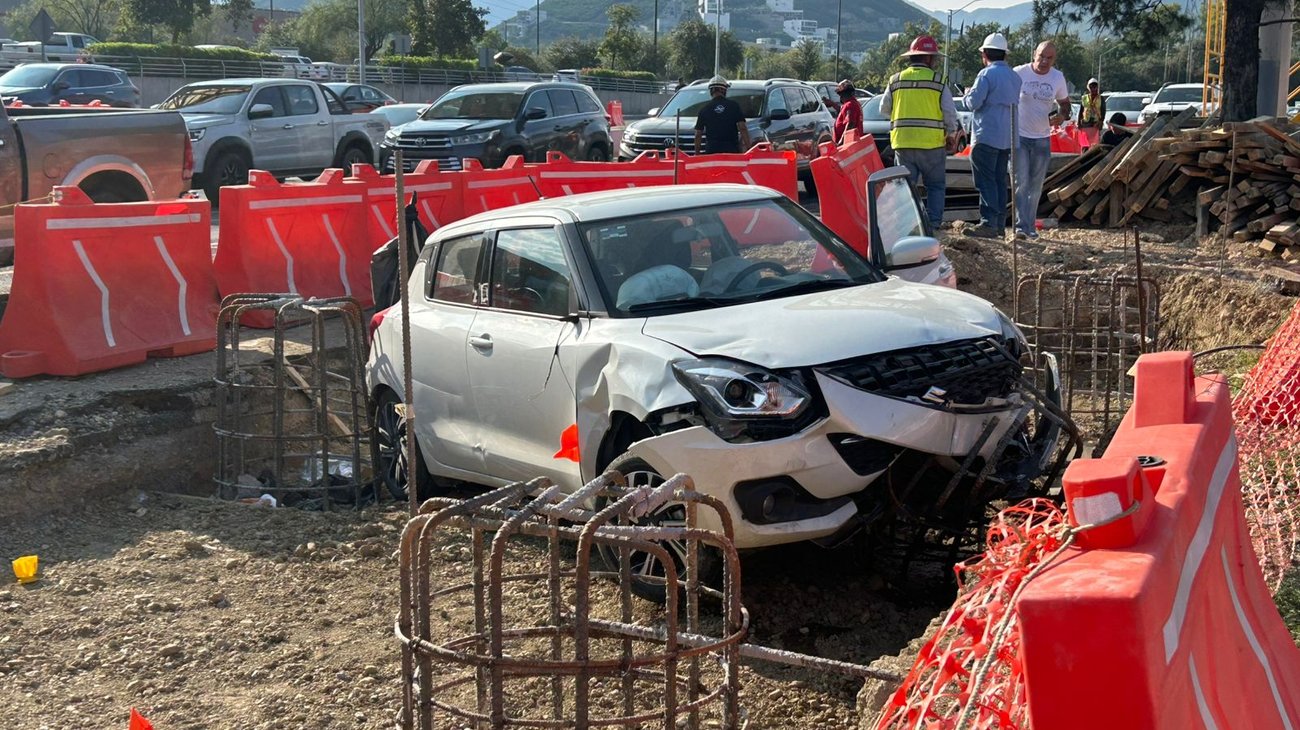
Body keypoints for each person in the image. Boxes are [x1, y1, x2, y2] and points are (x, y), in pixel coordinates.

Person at [880, 35, 961, 229]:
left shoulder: (895, 80)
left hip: (903, 143)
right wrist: (950, 135)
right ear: (927, 58)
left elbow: (884, 109)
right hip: (931, 145)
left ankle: (907, 226)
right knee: (935, 186)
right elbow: (950, 113)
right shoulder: (938, 81)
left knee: (905, 188)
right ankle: (933, 225)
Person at [964, 33, 1022, 239]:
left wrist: (967, 94)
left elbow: (973, 103)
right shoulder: (1015, 77)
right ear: (1004, 54)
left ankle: (988, 224)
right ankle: (997, 225)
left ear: (985, 54)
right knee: (998, 180)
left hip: (986, 135)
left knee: (985, 181)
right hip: (1007, 137)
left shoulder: (986, 75)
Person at [1013, 41, 1071, 239]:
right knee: (1020, 181)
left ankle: (1030, 227)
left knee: (1036, 185)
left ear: (1054, 59)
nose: (1044, 61)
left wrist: (1062, 116)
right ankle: (1020, 226)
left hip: (1042, 138)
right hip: (1019, 136)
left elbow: (1065, 103)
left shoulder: (1057, 77)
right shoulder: (1019, 73)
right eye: (1041, 56)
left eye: (1050, 58)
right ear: (1034, 55)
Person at [693, 76, 751, 155]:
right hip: (731, 150)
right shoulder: (734, 106)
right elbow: (742, 128)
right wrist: (749, 148)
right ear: (724, 90)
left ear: (711, 91)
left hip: (711, 151)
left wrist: (697, 153)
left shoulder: (704, 109)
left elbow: (698, 134)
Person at [832, 79, 864, 145]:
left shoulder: (850, 105)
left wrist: (841, 142)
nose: (840, 97)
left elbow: (850, 124)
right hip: (852, 143)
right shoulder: (853, 104)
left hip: (849, 144)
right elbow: (843, 112)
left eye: (840, 95)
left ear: (843, 94)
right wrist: (832, 104)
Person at [1078, 77, 1106, 148]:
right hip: (1085, 122)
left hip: (1096, 123)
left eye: (1095, 86)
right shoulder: (1084, 98)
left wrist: (1101, 121)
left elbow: (1103, 111)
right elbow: (1081, 110)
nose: (1093, 89)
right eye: (1091, 87)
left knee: (1094, 143)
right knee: (1085, 143)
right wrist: (1079, 122)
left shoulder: (1101, 98)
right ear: (1088, 88)